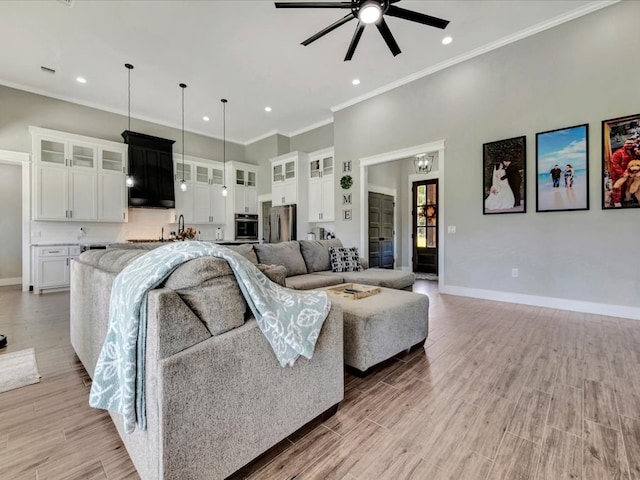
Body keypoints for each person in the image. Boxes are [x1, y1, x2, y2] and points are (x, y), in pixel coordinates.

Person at [610, 139, 636, 206]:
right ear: (624, 144)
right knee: (617, 188)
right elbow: (614, 164)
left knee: (626, 187)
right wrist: (622, 173)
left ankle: (624, 199)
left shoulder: (633, 152)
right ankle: (616, 201)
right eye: (627, 143)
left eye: (631, 143)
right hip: (617, 174)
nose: (629, 145)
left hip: (629, 174)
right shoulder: (618, 152)